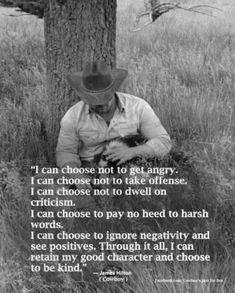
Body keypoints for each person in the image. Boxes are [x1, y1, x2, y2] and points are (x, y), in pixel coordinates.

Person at [56, 60, 171, 190]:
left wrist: (132, 152)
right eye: (96, 103)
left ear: (113, 91)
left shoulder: (139, 106)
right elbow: (65, 152)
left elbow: (164, 141)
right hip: (90, 168)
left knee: (135, 180)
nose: (103, 105)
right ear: (85, 97)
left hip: (131, 164)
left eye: (106, 99)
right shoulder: (72, 116)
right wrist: (75, 174)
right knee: (46, 185)